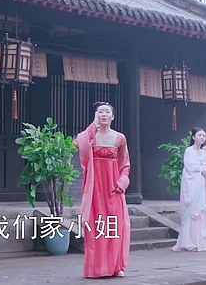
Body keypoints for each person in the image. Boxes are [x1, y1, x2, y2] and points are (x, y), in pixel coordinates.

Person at [73, 101, 131, 278]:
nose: (104, 114)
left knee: (114, 225)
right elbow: (77, 144)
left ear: (113, 116)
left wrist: (122, 182)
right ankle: (96, 269)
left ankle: (115, 266)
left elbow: (125, 164)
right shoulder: (89, 136)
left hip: (113, 188)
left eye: (107, 112)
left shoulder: (120, 138)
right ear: (96, 115)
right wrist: (92, 128)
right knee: (95, 227)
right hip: (94, 188)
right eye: (100, 112)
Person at [172, 126, 206, 252]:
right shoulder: (189, 151)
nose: (202, 138)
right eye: (199, 135)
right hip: (191, 184)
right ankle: (188, 241)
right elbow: (189, 167)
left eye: (203, 136)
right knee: (191, 210)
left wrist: (205, 169)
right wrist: (202, 169)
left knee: (201, 210)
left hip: (201, 184)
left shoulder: (204, 153)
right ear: (193, 137)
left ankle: (201, 241)